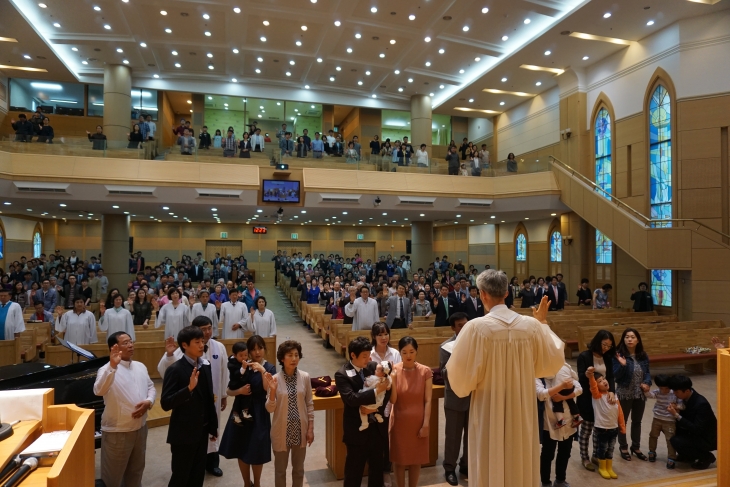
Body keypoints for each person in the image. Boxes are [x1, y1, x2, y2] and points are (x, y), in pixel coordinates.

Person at [445, 269, 565, 486]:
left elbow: (460, 380)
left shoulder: (475, 328)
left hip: (488, 407)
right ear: (507, 293)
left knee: (489, 456)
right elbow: (551, 363)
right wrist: (542, 323)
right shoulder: (531, 326)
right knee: (519, 456)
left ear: (483, 294)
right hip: (522, 406)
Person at [158, 316, 228, 477]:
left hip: (209, 408)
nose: (207, 333)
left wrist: (223, 394)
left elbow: (224, 373)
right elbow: (166, 384)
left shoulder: (216, 351)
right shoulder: (178, 359)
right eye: (202, 332)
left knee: (210, 439)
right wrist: (169, 356)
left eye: (209, 328)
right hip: (187, 419)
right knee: (183, 473)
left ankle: (212, 463)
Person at [94, 331, 155, 487]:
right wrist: (112, 366)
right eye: (125, 343)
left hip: (140, 429)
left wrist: (149, 401)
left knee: (136, 472)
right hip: (118, 432)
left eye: (131, 342)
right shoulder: (106, 369)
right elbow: (99, 390)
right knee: (112, 477)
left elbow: (151, 387)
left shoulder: (140, 366)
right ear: (114, 348)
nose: (130, 345)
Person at [219, 335, 276, 487]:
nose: (257, 352)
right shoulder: (243, 366)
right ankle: (246, 483)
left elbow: (267, 389)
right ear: (248, 351)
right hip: (241, 411)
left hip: (259, 413)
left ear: (265, 349)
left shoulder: (270, 368)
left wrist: (262, 371)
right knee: (241, 448)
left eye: (260, 348)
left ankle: (257, 483)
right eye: (253, 349)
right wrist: (240, 391)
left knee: (257, 450)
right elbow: (229, 390)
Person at [334, 336, 391, 487]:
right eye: (364, 356)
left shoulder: (373, 367)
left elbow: (388, 390)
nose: (368, 359)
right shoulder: (342, 374)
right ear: (353, 355)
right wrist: (375, 392)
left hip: (376, 430)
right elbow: (351, 399)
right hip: (356, 432)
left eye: (368, 355)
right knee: (354, 473)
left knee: (377, 472)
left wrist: (375, 407)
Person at [265, 340, 314, 487]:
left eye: (296, 355)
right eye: (290, 355)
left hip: (300, 430)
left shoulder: (305, 377)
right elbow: (270, 408)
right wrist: (272, 391)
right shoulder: (274, 379)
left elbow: (309, 404)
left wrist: (310, 429)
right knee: (280, 471)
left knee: (298, 470)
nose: (294, 359)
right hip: (281, 432)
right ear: (282, 358)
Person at [389, 336, 432, 487]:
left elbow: (428, 400)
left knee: (416, 460)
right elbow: (393, 400)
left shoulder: (425, 371)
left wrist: (426, 424)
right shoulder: (394, 370)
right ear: (399, 352)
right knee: (399, 460)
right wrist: (392, 379)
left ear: (416, 352)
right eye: (404, 352)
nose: (408, 355)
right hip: (399, 422)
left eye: (411, 352)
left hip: (418, 422)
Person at [576, 330, 616, 471]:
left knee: (600, 429)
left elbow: (610, 377)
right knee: (587, 429)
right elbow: (580, 378)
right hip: (587, 398)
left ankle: (595, 456)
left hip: (602, 400)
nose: (606, 348)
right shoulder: (584, 356)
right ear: (597, 342)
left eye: (609, 346)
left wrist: (611, 391)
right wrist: (588, 375)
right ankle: (584, 457)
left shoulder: (608, 357)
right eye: (604, 344)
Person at [536, 363, 582, 487]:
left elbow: (578, 388)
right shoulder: (539, 375)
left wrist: (564, 396)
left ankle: (560, 480)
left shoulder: (565, 370)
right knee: (547, 454)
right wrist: (562, 386)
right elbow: (541, 394)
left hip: (569, 422)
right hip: (549, 425)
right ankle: (545, 482)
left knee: (565, 453)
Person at [440, 313, 470, 486]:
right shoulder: (446, 347)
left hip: (473, 396)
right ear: (453, 328)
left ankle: (466, 465)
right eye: (460, 325)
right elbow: (444, 373)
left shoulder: (475, 343)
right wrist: (459, 360)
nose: (464, 328)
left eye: (466, 324)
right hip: (455, 398)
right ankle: (449, 468)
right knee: (453, 436)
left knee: (471, 435)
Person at [614, 327, 651, 462]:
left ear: (638, 340)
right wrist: (622, 365)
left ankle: (636, 447)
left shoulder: (643, 355)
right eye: (627, 337)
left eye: (633, 337)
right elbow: (616, 376)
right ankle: (623, 447)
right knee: (622, 422)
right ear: (623, 339)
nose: (630, 339)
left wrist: (647, 382)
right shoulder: (618, 355)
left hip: (639, 393)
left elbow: (647, 372)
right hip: (624, 393)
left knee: (637, 421)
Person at [369, 323, 400, 487]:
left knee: (387, 440)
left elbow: (399, 377)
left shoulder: (395, 354)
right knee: (374, 440)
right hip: (373, 402)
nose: (383, 337)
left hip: (391, 401)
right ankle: (375, 472)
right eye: (380, 335)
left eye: (386, 334)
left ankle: (386, 471)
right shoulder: (369, 354)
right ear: (374, 337)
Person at [668, 375, 717, 470]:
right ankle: (688, 456)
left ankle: (706, 457)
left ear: (687, 391)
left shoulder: (701, 404)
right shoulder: (685, 397)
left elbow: (697, 429)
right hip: (692, 432)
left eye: (676, 392)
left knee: (676, 440)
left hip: (706, 438)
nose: (674, 394)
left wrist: (677, 415)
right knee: (667, 428)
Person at [585, 366, 626, 479]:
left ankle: (609, 467)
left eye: (604, 379)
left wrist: (622, 426)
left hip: (614, 428)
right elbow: (593, 386)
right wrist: (591, 376)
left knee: (611, 448)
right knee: (602, 448)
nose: (603, 381)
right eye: (599, 381)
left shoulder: (613, 395)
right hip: (602, 428)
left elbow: (619, 412)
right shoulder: (597, 396)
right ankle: (602, 468)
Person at [643, 374, 679, 468]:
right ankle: (652, 451)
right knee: (653, 435)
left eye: (667, 388)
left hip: (669, 421)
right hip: (657, 419)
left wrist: (676, 406)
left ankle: (671, 457)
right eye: (662, 388)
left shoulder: (674, 393)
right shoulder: (658, 392)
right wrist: (646, 391)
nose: (664, 390)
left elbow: (682, 405)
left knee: (670, 439)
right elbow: (650, 395)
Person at [359, 361, 392, 429]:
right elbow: (389, 388)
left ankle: (365, 423)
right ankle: (377, 415)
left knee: (362, 409)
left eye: (377, 370)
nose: (375, 371)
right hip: (380, 401)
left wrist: (366, 380)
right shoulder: (388, 379)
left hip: (370, 398)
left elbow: (366, 384)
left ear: (383, 373)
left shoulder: (373, 378)